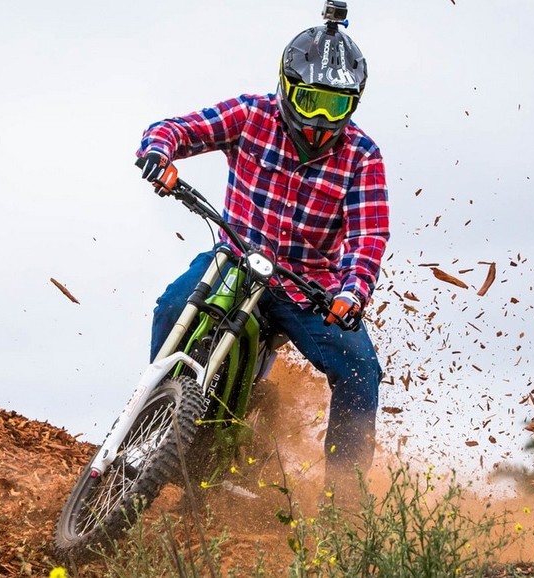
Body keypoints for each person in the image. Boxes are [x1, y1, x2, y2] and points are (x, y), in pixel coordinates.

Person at [135, 13, 389, 487]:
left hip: (306, 288)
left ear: (353, 103)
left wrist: (352, 293)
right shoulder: (251, 115)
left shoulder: (363, 156)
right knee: (172, 305)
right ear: (287, 87)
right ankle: (153, 430)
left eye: (335, 105)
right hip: (234, 259)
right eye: (311, 100)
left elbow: (368, 236)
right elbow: (178, 129)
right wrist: (158, 153)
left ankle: (345, 501)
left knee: (360, 368)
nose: (320, 119)